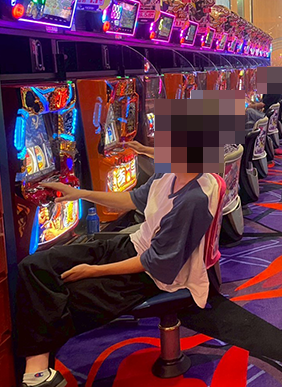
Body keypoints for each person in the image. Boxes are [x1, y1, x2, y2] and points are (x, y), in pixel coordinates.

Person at [16, 142, 225, 385]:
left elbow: (157, 263)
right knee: (35, 266)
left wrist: (93, 271)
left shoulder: (193, 199)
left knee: (68, 297)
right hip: (131, 245)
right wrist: (80, 193)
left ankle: (37, 375)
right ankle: (38, 370)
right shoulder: (168, 173)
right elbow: (131, 200)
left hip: (154, 275)